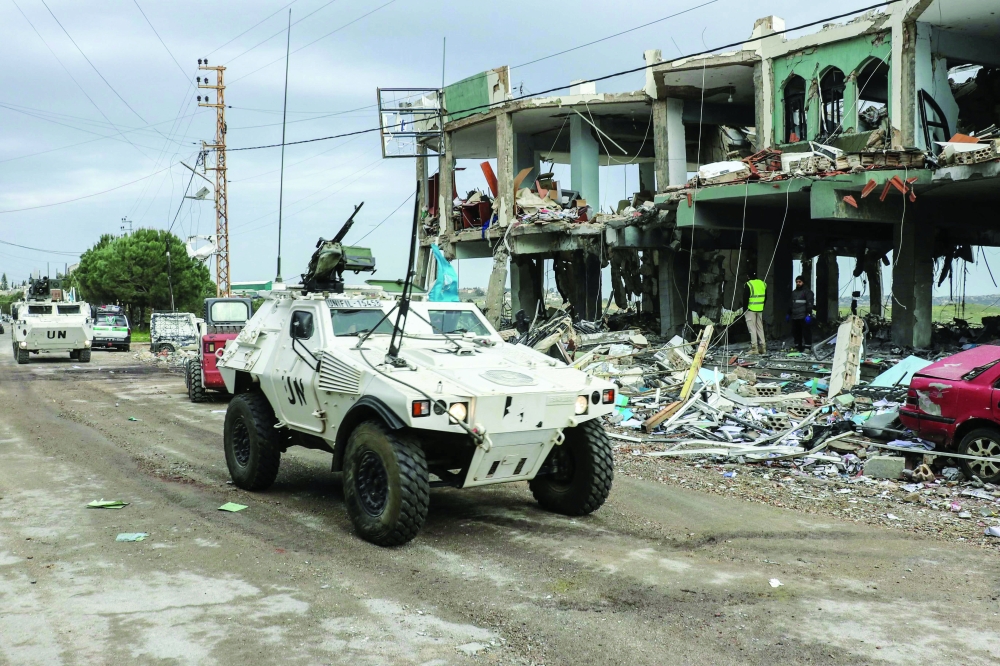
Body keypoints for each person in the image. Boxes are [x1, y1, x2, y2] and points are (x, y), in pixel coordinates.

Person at [787, 275, 815, 353]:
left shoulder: (808, 292)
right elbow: (791, 304)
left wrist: (809, 314)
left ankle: (807, 347)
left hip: (803, 316)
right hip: (795, 316)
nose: (798, 283)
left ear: (803, 282)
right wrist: (788, 313)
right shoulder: (794, 293)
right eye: (797, 282)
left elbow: (810, 303)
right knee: (796, 332)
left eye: (800, 282)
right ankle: (798, 346)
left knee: (806, 332)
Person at [743, 270, 767, 354]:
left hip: (750, 309)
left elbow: (745, 298)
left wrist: (744, 309)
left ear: (748, 276)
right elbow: (765, 297)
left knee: (752, 329)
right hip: (760, 308)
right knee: (760, 328)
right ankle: (763, 348)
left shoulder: (748, 284)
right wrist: (762, 306)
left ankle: (754, 349)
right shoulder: (763, 283)